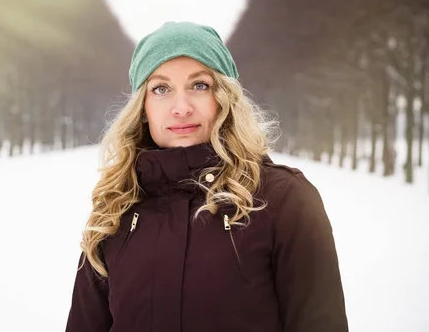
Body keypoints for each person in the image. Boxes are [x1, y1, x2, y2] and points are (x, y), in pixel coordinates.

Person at [65, 21, 348, 332]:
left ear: (224, 98)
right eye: (161, 89)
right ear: (142, 107)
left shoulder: (284, 200)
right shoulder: (115, 209)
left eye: (199, 85)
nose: (181, 107)